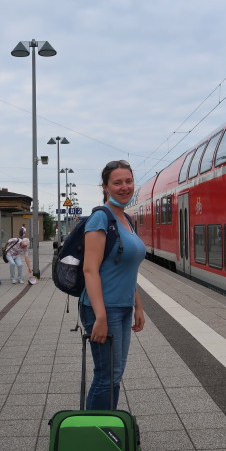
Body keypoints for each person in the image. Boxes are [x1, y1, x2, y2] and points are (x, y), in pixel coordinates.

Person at [80, 160, 146, 410]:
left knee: (114, 375)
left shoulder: (127, 219)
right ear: (105, 187)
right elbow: (90, 269)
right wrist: (100, 316)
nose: (124, 187)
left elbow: (126, 270)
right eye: (117, 182)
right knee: (106, 376)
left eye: (128, 181)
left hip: (123, 307)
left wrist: (138, 306)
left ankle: (107, 429)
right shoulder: (100, 218)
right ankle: (93, 435)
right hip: (102, 308)